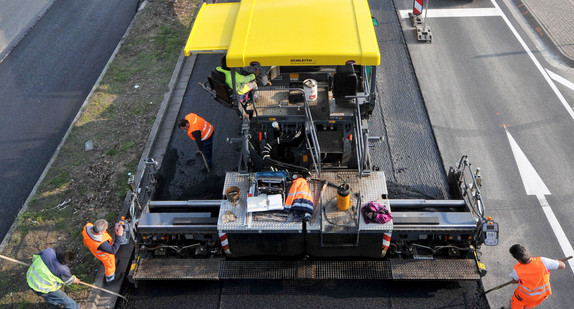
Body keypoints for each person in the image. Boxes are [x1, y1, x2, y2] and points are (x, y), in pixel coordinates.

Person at [509, 244, 566, 308]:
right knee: (531, 302)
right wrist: (557, 261)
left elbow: (515, 280)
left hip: (527, 296)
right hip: (543, 294)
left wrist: (515, 281)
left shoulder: (517, 269)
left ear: (518, 260)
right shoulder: (542, 261)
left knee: (516, 301)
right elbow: (562, 265)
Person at [82, 219, 123, 284]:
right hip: (105, 256)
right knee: (110, 266)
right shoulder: (100, 243)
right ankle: (110, 279)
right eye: (105, 230)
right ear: (100, 232)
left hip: (94, 250)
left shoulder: (87, 226)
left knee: (110, 262)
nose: (105, 230)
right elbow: (113, 250)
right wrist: (119, 235)